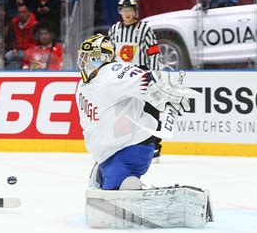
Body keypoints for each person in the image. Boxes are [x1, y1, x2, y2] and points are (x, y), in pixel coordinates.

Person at [75, 34, 192, 190]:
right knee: (103, 189)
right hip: (107, 154)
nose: (85, 59)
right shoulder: (83, 82)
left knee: (119, 190)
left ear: (104, 58)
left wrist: (165, 90)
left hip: (130, 148)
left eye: (91, 56)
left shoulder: (113, 72)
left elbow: (149, 79)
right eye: (83, 55)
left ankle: (132, 189)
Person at [107, 0, 163, 162]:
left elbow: (153, 51)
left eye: (130, 10)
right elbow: (109, 53)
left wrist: (153, 74)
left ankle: (154, 146)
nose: (127, 13)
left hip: (141, 74)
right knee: (122, 111)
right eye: (124, 10)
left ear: (135, 11)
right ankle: (122, 144)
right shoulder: (114, 29)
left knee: (149, 110)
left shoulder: (144, 29)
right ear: (120, 12)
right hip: (121, 76)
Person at [4, 3, 38, 69]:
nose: (22, 14)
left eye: (24, 12)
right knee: (7, 56)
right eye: (19, 12)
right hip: (18, 50)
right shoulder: (14, 23)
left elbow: (37, 42)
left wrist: (29, 51)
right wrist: (14, 48)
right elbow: (12, 38)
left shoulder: (35, 25)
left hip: (31, 51)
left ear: (28, 13)